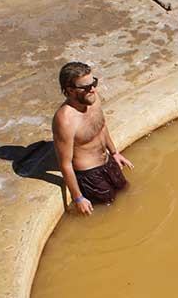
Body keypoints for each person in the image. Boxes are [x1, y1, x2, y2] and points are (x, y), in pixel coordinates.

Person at [52, 61, 133, 215]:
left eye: (94, 83)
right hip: (89, 174)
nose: (93, 89)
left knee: (126, 191)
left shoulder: (94, 100)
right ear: (70, 90)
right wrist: (78, 198)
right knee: (110, 209)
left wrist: (114, 152)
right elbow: (65, 164)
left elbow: (101, 126)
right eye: (87, 87)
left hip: (108, 161)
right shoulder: (65, 120)